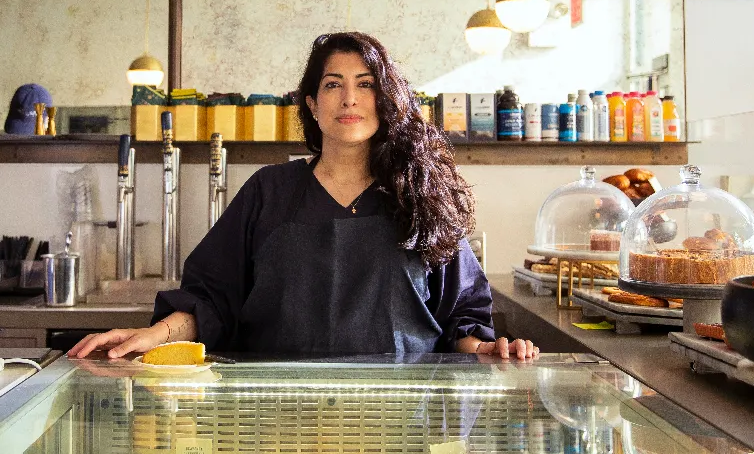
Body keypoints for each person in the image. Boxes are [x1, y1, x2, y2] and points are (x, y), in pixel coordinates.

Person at [71, 32, 539, 361]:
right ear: (312, 106)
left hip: (400, 417)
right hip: (280, 414)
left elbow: (462, 316)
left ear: (386, 101)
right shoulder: (267, 192)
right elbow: (212, 302)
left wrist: (488, 348)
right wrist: (154, 335)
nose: (349, 99)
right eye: (333, 84)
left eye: (366, 84)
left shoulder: (421, 196)